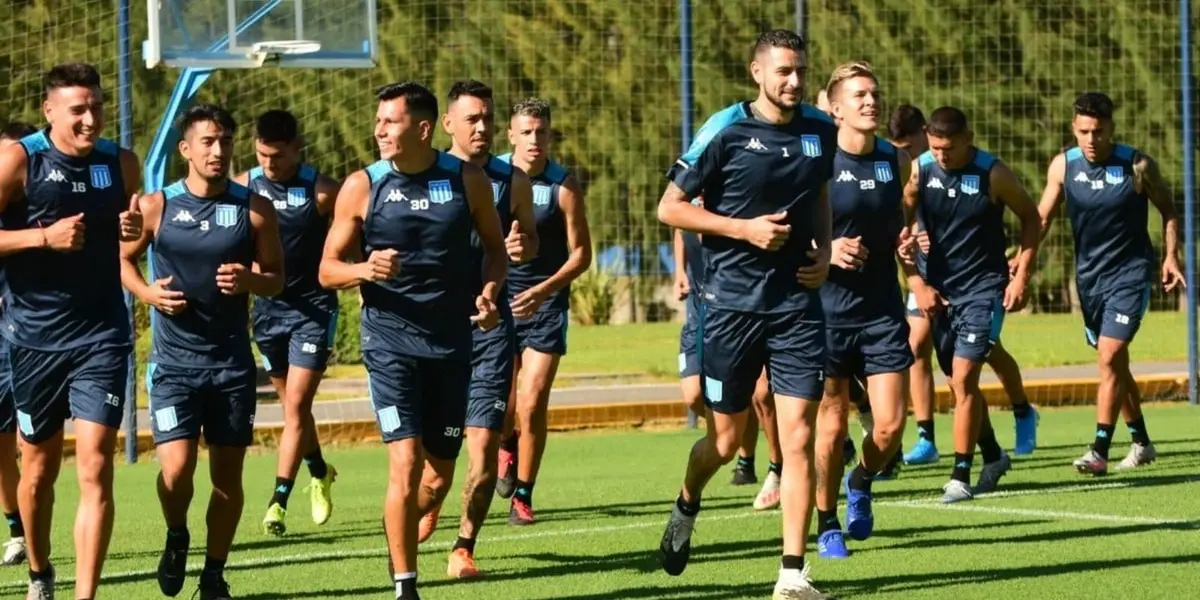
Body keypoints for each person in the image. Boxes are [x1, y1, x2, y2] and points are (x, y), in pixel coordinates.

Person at [656, 29, 836, 599]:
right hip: (730, 307)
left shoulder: (820, 130)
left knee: (798, 436)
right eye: (783, 70)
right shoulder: (724, 129)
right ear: (757, 72)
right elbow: (669, 209)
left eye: (800, 70)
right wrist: (744, 229)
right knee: (726, 441)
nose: (794, 80)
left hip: (797, 306)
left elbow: (820, 194)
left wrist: (825, 250)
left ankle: (791, 574)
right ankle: (687, 501)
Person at [319, 81, 507, 600]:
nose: (379, 130)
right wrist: (364, 269)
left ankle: (402, 527)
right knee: (403, 463)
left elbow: (496, 251)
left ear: (423, 129)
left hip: (451, 345)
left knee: (438, 477)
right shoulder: (362, 185)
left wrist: (489, 292)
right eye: (378, 120)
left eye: (390, 121)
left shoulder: (468, 180)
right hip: (389, 344)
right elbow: (327, 269)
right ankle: (406, 586)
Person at [121, 104, 284, 600]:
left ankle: (213, 575)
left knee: (227, 479)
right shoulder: (158, 206)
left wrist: (251, 278)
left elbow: (276, 280)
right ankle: (177, 535)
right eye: (208, 141)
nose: (218, 151)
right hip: (173, 366)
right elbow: (122, 261)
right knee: (176, 472)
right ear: (186, 149)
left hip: (231, 366)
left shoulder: (256, 209)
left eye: (225, 141)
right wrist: (147, 294)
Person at [0, 63, 143, 600]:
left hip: (101, 334)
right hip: (34, 339)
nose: (90, 119)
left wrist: (132, 229)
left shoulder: (121, 163)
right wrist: (42, 238)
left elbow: (128, 230)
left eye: (97, 107)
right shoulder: (20, 160)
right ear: (49, 111)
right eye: (77, 109)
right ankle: (41, 573)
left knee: (96, 463)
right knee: (37, 471)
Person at [413, 79, 538, 578]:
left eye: (487, 118)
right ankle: (430, 500)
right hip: (432, 333)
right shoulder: (424, 177)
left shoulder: (514, 181)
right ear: (447, 124)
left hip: (490, 329)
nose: (482, 127)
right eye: (472, 119)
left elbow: (528, 241)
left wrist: (521, 247)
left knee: (483, 454)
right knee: (433, 474)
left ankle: (464, 547)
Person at [1036, 92, 1181, 475]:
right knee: (1114, 363)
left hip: (1131, 274)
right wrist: (1022, 260)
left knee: (1109, 353)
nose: (1091, 139)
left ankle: (1098, 449)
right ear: (1074, 128)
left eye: (1098, 131)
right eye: (1084, 131)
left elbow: (1168, 210)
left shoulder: (1137, 165)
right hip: (1089, 281)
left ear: (1111, 129)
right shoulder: (1063, 166)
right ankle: (1142, 442)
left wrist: (1170, 255)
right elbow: (1042, 218)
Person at [902, 106, 1040, 504]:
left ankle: (959, 475)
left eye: (948, 148)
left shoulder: (993, 174)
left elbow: (1031, 219)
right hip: (939, 292)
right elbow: (900, 224)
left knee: (963, 379)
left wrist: (1022, 274)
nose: (941, 155)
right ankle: (993, 456)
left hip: (984, 289)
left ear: (967, 139)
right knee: (958, 383)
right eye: (934, 148)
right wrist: (915, 273)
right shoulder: (919, 171)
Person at [811, 62, 912, 559]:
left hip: (882, 310)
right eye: (859, 96)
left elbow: (898, 222)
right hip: (827, 312)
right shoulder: (817, 161)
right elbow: (789, 232)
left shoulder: (897, 160)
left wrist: (908, 242)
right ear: (835, 108)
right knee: (831, 425)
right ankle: (826, 521)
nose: (870, 102)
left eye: (873, 93)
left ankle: (861, 479)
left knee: (890, 426)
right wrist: (828, 250)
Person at [231, 110, 342, 537]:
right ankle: (320, 470)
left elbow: (356, 235)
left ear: (297, 148)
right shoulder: (244, 187)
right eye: (262, 155)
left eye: (277, 156)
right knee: (294, 409)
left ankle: (278, 501)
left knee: (296, 407)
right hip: (267, 311)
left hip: (313, 310)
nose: (269, 164)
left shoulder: (323, 191)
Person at [493, 97, 592, 526]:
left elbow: (582, 255)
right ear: (510, 135)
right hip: (498, 299)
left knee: (532, 401)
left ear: (550, 135)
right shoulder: (489, 177)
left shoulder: (563, 187)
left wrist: (543, 289)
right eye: (526, 132)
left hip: (546, 303)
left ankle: (524, 493)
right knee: (501, 406)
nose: (535, 140)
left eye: (542, 132)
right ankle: (506, 444)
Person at [0, 121, 37, 568]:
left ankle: (35, 525)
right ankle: (17, 530)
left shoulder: (45, 206)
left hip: (34, 336)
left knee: (33, 440)